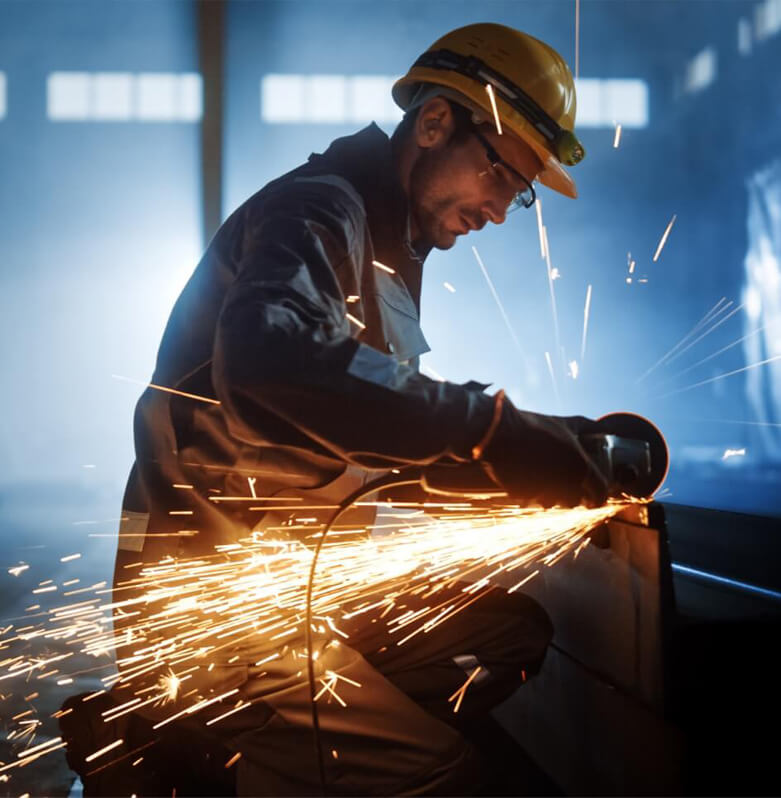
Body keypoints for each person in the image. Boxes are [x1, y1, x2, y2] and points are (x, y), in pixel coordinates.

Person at [63, 22, 609, 795]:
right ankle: (177, 747)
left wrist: (520, 458)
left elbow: (355, 417)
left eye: (516, 193)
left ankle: (241, 758)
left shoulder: (387, 242)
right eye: (499, 172)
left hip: (303, 589)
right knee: (442, 776)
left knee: (506, 636)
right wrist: (487, 430)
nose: (497, 208)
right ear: (434, 123)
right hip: (225, 615)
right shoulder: (316, 210)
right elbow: (273, 361)